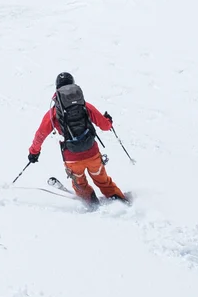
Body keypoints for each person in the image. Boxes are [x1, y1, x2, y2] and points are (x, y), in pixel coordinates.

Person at [26, 72, 126, 204]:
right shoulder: (85, 106)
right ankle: (119, 201)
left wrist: (34, 152)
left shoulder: (54, 113)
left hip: (72, 158)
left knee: (79, 184)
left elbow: (40, 135)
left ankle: (91, 205)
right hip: (92, 153)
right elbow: (105, 126)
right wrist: (108, 120)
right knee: (103, 181)